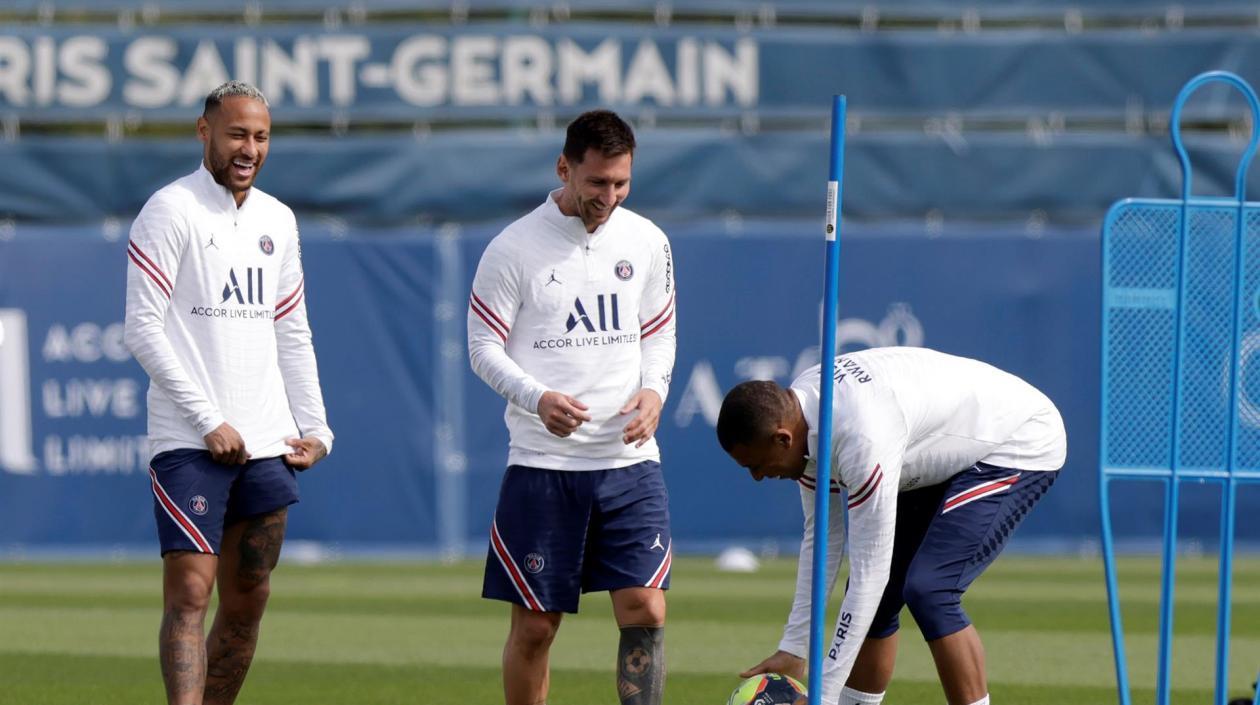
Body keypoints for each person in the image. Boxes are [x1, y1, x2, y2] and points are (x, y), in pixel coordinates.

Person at [124, 80, 334, 705]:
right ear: (204, 131)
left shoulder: (278, 219)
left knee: (248, 600)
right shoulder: (169, 209)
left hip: (268, 441)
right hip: (190, 440)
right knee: (191, 592)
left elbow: (291, 329)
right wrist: (207, 419)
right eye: (237, 133)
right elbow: (141, 328)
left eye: (261, 136)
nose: (250, 148)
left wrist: (317, 427)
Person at [716, 346, 1066, 705]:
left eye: (755, 465)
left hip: (1016, 439)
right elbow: (823, 538)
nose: (757, 477)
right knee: (879, 602)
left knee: (929, 589)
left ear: (782, 439)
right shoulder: (800, 420)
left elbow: (871, 575)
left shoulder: (860, 439)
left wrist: (823, 695)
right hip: (937, 447)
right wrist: (794, 647)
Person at [467, 109, 677, 705]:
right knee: (536, 627)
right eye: (597, 182)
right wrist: (536, 398)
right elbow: (481, 348)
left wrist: (655, 391)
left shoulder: (648, 241)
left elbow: (659, 333)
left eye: (621, 183)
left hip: (629, 462)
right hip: (544, 465)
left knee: (645, 608)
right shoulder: (512, 248)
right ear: (564, 168)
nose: (609, 197)